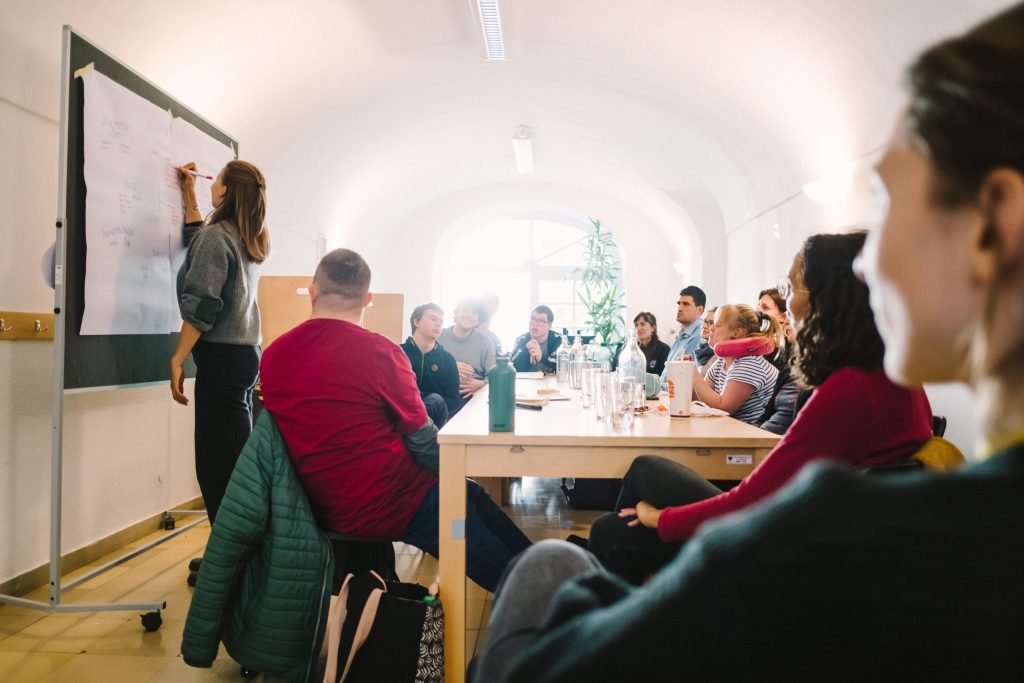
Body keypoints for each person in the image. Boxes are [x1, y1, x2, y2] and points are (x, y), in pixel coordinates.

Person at [472, 7, 1024, 679]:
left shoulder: (862, 530)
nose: (869, 265)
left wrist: (661, 545)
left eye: (886, 208)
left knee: (549, 561)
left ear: (996, 221)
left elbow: (764, 501)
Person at [585, 230, 932, 583]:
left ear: (829, 298)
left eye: (791, 290)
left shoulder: (849, 389)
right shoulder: (895, 375)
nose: (786, 308)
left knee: (611, 532)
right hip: (814, 523)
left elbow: (756, 500)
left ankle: (623, 594)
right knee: (645, 470)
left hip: (783, 544)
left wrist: (661, 519)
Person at [260, 249, 530, 592]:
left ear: (313, 291)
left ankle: (541, 567)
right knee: (459, 512)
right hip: (385, 501)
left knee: (471, 495)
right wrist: (450, 469)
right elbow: (421, 439)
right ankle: (531, 593)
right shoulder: (381, 351)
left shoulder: (273, 355)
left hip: (314, 499)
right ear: (367, 299)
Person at [170, 160, 269, 531]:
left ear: (225, 191)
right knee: (232, 459)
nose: (212, 183)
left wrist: (178, 357)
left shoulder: (219, 237)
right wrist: (189, 194)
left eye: (217, 180)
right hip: (244, 357)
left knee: (217, 466)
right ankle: (230, 552)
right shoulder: (247, 235)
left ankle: (230, 560)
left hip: (223, 360)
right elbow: (201, 240)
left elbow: (203, 305)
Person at [691, 304, 780, 424]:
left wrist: (693, 374)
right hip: (735, 430)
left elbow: (723, 407)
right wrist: (684, 373)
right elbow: (701, 399)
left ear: (737, 332)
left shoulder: (750, 363)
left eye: (717, 325)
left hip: (756, 436)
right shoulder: (722, 362)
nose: (711, 328)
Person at [400, 303, 461, 428]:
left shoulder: (448, 359)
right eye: (433, 319)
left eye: (441, 321)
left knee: (436, 400)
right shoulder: (397, 354)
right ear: (416, 322)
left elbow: (453, 400)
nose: (438, 324)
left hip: (434, 422)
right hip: (402, 413)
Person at [439, 298, 495, 400]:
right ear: (456, 314)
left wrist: (483, 384)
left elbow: (494, 376)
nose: (469, 315)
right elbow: (426, 368)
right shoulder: (439, 336)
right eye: (465, 310)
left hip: (473, 395)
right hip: (442, 393)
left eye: (474, 313)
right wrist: (451, 367)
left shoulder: (486, 342)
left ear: (478, 321)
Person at [659, 285, 706, 388]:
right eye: (678, 303)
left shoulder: (699, 338)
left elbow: (683, 381)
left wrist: (654, 387)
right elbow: (667, 375)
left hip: (678, 398)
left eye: (686, 304)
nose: (679, 308)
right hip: (665, 395)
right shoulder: (680, 335)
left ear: (700, 309)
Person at [614, 312, 671, 376]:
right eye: (636, 325)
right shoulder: (629, 349)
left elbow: (664, 378)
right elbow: (616, 371)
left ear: (653, 328)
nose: (638, 328)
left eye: (643, 324)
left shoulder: (663, 349)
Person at [509, 305, 562, 373]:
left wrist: (542, 357)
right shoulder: (521, 339)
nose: (535, 324)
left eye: (541, 321)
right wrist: (526, 349)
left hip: (551, 382)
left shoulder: (558, 340)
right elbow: (513, 367)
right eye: (532, 319)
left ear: (549, 325)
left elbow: (563, 366)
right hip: (526, 382)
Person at [478, 291, 504, 356]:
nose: (485, 304)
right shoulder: (465, 332)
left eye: (490, 302)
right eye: (482, 301)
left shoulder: (495, 340)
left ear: (496, 309)